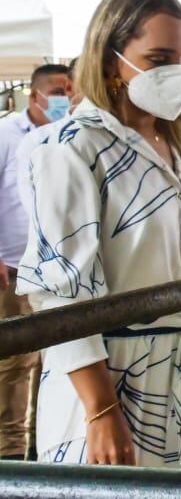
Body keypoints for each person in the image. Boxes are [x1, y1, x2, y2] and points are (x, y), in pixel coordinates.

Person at [15, 0, 181, 468]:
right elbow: (61, 294)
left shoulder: (177, 145)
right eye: (158, 59)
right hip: (114, 380)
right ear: (112, 61)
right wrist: (101, 410)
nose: (177, 72)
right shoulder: (70, 147)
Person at [0, 64, 72, 460]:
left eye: (69, 90)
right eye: (58, 90)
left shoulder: (68, 134)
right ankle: (8, 454)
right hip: (11, 269)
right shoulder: (7, 135)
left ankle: (39, 446)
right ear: (34, 95)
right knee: (14, 364)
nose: (64, 98)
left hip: (53, 270)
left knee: (54, 361)